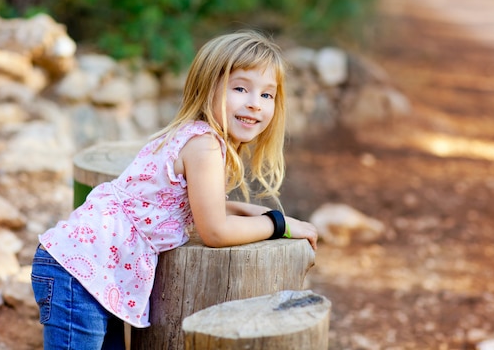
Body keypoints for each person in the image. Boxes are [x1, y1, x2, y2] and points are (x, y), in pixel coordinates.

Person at [31, 30, 318, 349]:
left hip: (92, 271)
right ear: (207, 88)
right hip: (80, 272)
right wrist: (280, 225)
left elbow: (205, 209)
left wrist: (262, 213)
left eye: (267, 95)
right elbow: (215, 231)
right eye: (240, 88)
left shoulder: (200, 139)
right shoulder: (204, 145)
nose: (255, 104)